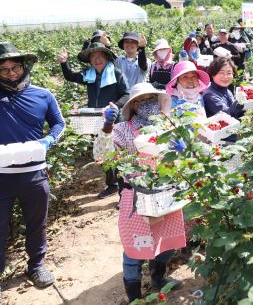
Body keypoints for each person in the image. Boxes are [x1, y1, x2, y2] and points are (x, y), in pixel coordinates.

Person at [92, 83, 184, 302]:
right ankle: (134, 296)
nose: (148, 104)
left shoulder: (167, 125)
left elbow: (181, 158)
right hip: (136, 197)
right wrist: (107, 127)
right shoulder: (123, 130)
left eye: (151, 98)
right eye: (142, 100)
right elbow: (102, 156)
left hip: (167, 192)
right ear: (133, 105)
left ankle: (158, 279)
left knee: (166, 242)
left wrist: (182, 147)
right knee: (135, 248)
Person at [0, 42, 65, 289]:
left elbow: (59, 124)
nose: (11, 73)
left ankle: (36, 265)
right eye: (4, 69)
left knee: (37, 222)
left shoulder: (42, 94)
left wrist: (48, 140)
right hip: (1, 175)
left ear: (24, 66)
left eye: (15, 67)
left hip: (34, 174)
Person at [58, 43, 129, 198]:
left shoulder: (116, 74)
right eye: (93, 57)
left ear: (107, 57)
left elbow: (126, 94)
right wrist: (64, 63)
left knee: (118, 155)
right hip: (97, 121)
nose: (97, 59)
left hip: (115, 120)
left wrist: (114, 107)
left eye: (100, 56)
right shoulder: (89, 75)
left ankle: (124, 193)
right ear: (90, 61)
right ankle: (112, 185)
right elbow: (70, 76)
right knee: (102, 153)